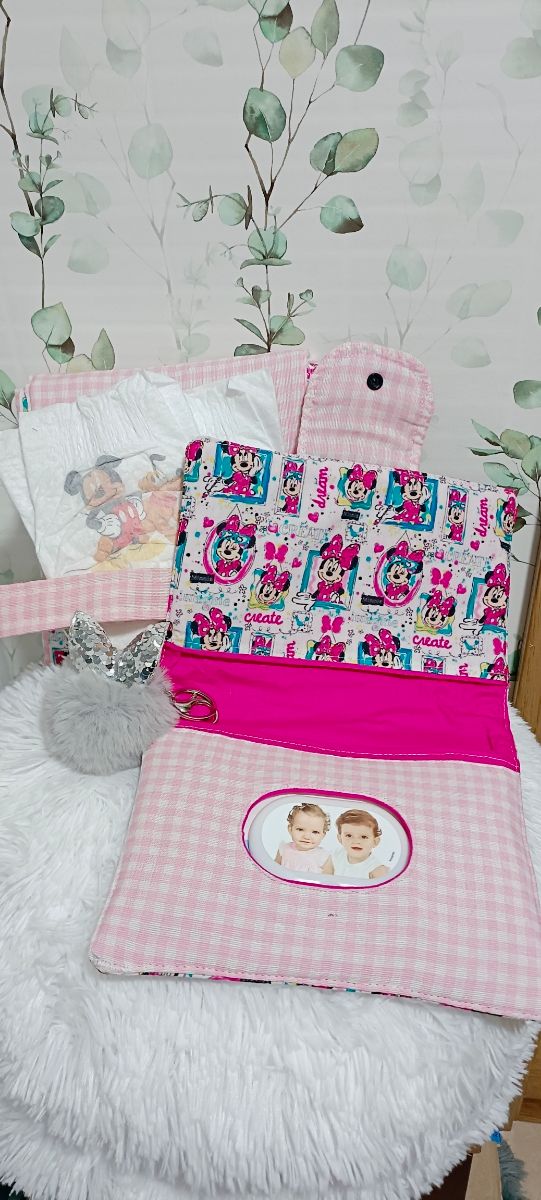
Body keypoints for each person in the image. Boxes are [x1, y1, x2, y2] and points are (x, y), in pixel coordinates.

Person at [275, 802, 333, 875]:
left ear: (323, 835)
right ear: (290, 829)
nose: (306, 837)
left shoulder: (323, 857)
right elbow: (273, 872)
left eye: (315, 832)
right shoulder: (284, 850)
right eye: (300, 829)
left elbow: (328, 880)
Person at [332, 809, 389, 880]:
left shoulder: (377, 870)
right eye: (349, 835)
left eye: (363, 837)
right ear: (340, 839)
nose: (356, 841)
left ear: (375, 842)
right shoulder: (338, 854)